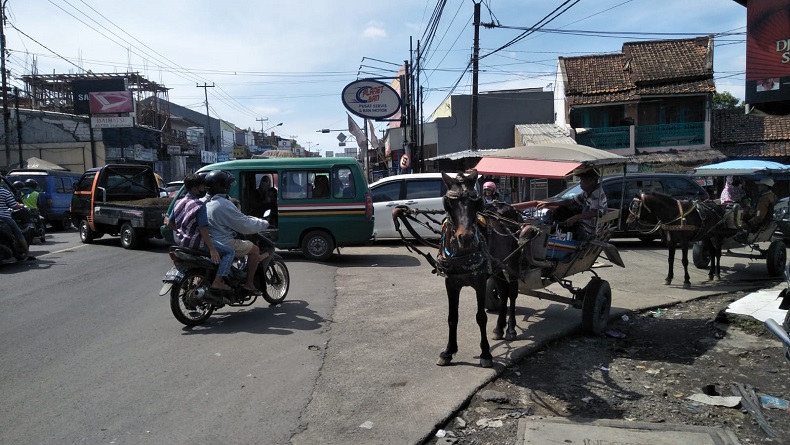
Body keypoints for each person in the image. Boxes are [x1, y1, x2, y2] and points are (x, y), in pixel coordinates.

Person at [165, 173, 233, 293]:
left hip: (181, 243)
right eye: (202, 187)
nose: (204, 190)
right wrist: (212, 249)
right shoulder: (199, 205)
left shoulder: (178, 202)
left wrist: (182, 230)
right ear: (195, 188)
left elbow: (169, 223)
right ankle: (218, 281)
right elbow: (203, 229)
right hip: (197, 244)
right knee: (229, 252)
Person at [204, 170, 269, 295]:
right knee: (254, 250)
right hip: (223, 241)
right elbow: (244, 225)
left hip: (207, 241)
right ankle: (249, 284)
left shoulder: (204, 202)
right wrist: (264, 223)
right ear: (223, 186)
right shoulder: (223, 205)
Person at [536, 168, 608, 239]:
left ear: (591, 180)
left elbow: (596, 212)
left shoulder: (596, 194)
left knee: (560, 222)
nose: (580, 183)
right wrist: (549, 204)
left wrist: (576, 218)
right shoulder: (587, 193)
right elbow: (571, 201)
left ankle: (547, 235)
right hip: (584, 225)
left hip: (588, 231)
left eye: (581, 180)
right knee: (560, 211)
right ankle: (550, 231)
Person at [0, 183, 30, 258]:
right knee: (18, 233)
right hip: (4, 217)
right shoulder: (4, 192)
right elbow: (14, 205)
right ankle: (27, 252)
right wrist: (21, 205)